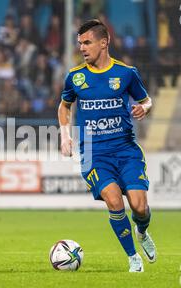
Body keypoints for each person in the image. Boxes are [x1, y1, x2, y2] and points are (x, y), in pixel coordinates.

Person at [58, 20, 156, 272]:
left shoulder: (126, 73)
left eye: (87, 42)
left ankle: (142, 231)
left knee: (139, 207)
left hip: (125, 150)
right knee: (114, 201)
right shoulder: (75, 77)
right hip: (94, 154)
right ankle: (133, 257)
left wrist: (142, 108)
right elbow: (64, 105)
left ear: (104, 42)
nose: (82, 48)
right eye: (79, 43)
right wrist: (65, 135)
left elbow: (146, 101)